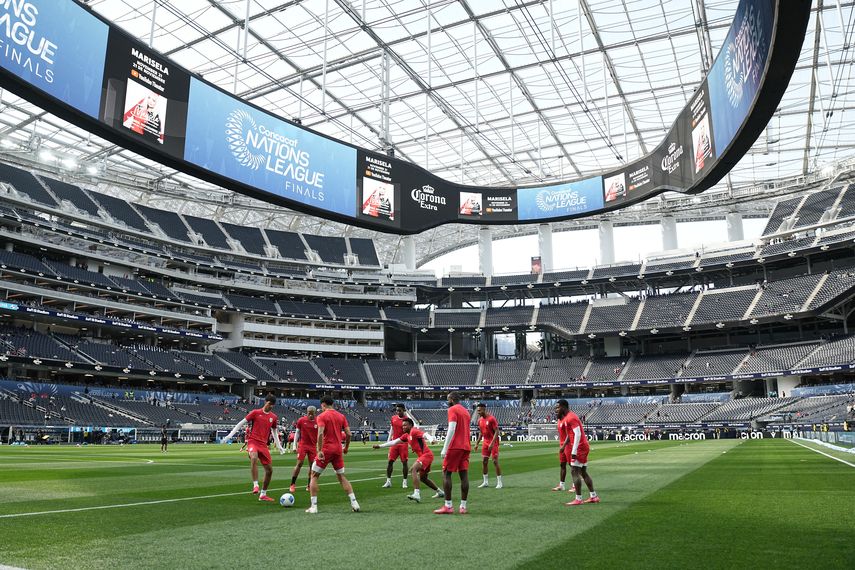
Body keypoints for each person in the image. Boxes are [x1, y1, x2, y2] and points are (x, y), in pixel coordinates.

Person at [221, 394, 284, 502]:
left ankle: (263, 494)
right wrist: (230, 436)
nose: (270, 407)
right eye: (269, 404)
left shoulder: (273, 417)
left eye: (272, 405)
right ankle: (255, 485)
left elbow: (274, 431)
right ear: (265, 402)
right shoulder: (255, 413)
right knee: (254, 458)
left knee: (269, 471)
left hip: (263, 445)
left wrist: (279, 446)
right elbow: (241, 423)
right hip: (253, 441)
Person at [306, 396, 360, 514]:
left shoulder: (322, 416)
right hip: (338, 450)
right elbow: (349, 434)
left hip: (326, 450)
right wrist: (346, 447)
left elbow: (320, 434)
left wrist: (319, 450)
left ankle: (313, 507)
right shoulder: (341, 416)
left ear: (323, 404)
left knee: (314, 475)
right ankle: (354, 502)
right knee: (341, 477)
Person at [373, 418, 443, 503]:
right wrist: (380, 446)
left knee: (413, 469)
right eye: (402, 426)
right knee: (423, 478)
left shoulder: (414, 431)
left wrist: (431, 440)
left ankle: (416, 494)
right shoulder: (406, 435)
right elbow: (394, 442)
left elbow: (425, 434)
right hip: (424, 456)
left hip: (426, 455)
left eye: (405, 425)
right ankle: (440, 492)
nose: (403, 427)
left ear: (411, 425)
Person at [554, 399, 598, 506]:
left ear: (564, 407)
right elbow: (571, 434)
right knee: (583, 472)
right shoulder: (568, 417)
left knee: (575, 472)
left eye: (558, 407)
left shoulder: (571, 417)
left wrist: (573, 451)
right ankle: (593, 496)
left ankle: (578, 499)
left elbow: (577, 434)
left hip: (579, 447)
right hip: (581, 446)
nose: (557, 409)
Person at [434, 392, 471, 515]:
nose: (447, 402)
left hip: (455, 446)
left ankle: (448, 506)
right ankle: (463, 506)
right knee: (464, 475)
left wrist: (445, 448)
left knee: (446, 473)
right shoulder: (466, 411)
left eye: (448, 399)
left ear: (452, 399)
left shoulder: (452, 409)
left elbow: (452, 428)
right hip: (466, 446)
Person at [474, 403, 503, 489]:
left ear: (483, 409)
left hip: (493, 442)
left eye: (479, 410)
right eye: (477, 410)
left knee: (495, 461)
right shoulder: (479, 420)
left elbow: (497, 431)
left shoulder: (491, 419)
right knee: (484, 461)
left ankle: (499, 482)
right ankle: (485, 482)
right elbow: (481, 432)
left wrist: (492, 443)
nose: (478, 412)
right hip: (485, 442)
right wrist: (477, 443)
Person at [289, 406, 318, 493]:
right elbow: (297, 433)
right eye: (308, 412)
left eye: (311, 413)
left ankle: (309, 485)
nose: (309, 414)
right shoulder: (301, 420)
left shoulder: (318, 421)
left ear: (314, 413)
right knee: (299, 464)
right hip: (303, 445)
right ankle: (292, 484)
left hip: (313, 446)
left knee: (312, 466)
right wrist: (294, 445)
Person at [383, 403, 410, 489]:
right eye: (397, 410)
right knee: (390, 461)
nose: (398, 412)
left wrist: (411, 443)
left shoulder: (407, 420)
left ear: (404, 410)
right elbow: (392, 429)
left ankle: (405, 481)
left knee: (404, 462)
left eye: (399, 410)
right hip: (394, 443)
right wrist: (388, 441)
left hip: (403, 443)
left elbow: (410, 432)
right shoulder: (393, 418)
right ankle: (388, 481)